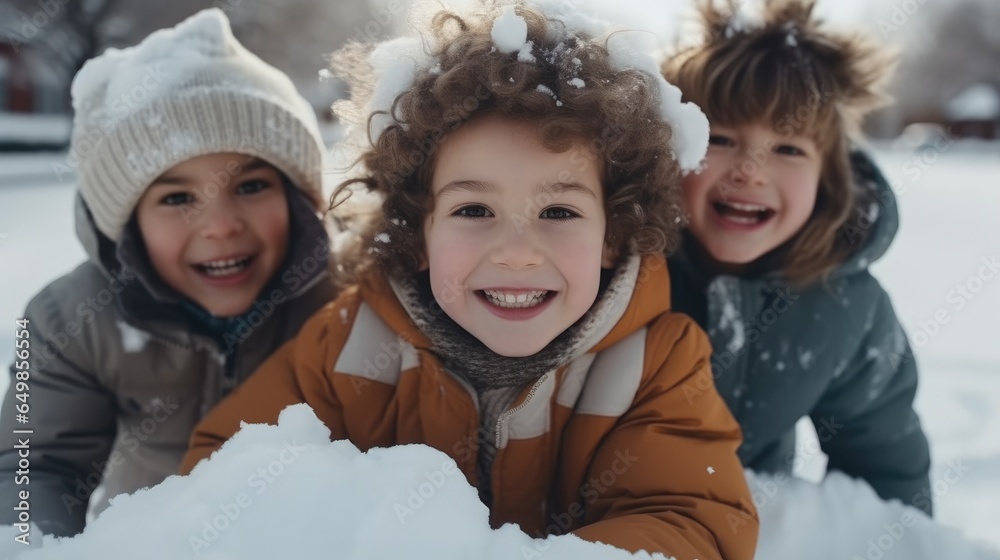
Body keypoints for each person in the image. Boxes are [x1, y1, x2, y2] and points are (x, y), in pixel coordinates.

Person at [181, 2, 758, 558]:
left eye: (558, 213)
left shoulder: (654, 362)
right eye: (473, 211)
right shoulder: (351, 345)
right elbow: (224, 477)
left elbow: (693, 522)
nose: (515, 254)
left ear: (611, 235)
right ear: (419, 231)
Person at [0, 8, 336, 536]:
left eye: (250, 186)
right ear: (126, 227)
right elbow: (33, 466)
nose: (221, 226)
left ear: (298, 198)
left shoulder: (346, 303)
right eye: (177, 197)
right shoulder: (66, 320)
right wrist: (31, 543)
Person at [662, 0, 932, 514]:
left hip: (749, 521)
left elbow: (883, 461)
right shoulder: (620, 263)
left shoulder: (846, 308)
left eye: (788, 149)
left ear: (828, 181)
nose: (750, 170)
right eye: (719, 139)